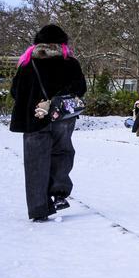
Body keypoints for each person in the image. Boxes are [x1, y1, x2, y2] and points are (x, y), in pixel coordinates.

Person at [10, 25, 87, 222]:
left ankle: (38, 209)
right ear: (63, 43)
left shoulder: (27, 64)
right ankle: (59, 192)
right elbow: (80, 87)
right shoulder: (70, 63)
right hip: (62, 118)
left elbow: (15, 93)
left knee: (35, 162)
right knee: (63, 152)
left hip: (34, 119)